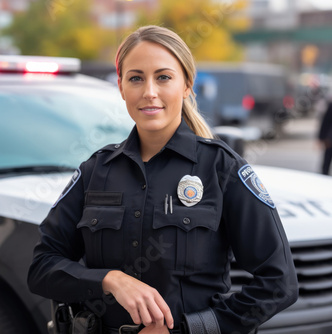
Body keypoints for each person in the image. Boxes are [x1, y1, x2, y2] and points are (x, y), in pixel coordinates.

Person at [28, 25, 298, 334]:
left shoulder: (221, 168)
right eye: (136, 78)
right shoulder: (95, 171)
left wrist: (189, 329)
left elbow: (279, 283)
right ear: (121, 87)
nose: (149, 92)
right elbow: (41, 267)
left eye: (163, 77)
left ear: (186, 85)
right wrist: (111, 280)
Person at [318, 100, 332, 175]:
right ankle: (324, 176)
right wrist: (321, 137)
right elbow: (326, 122)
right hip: (330, 139)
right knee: (327, 160)